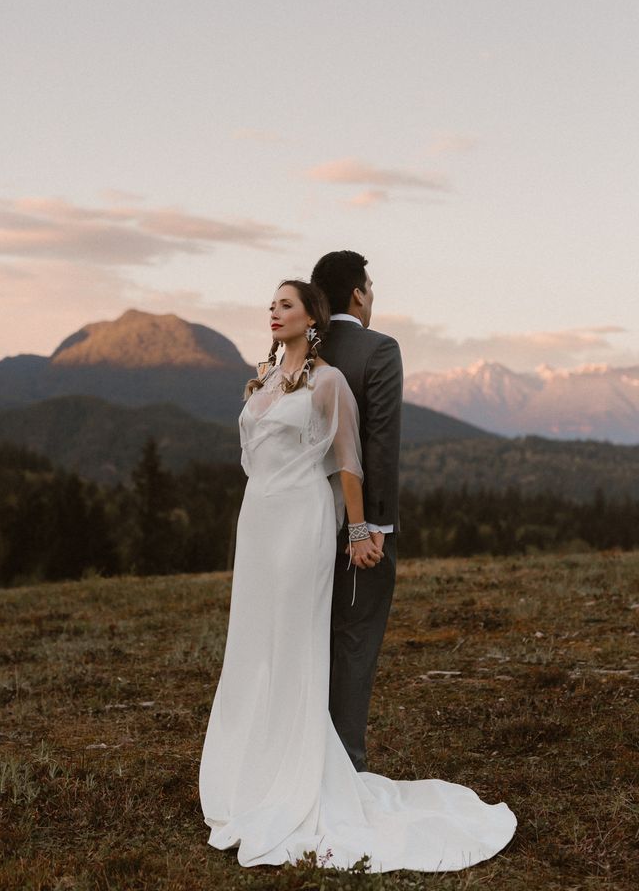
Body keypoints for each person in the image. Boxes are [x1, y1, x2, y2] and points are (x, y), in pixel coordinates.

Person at [198, 278, 516, 872]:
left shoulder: (329, 382)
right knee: (253, 642)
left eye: (285, 304)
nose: (273, 312)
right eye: (270, 305)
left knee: (293, 643)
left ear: (313, 315)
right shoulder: (263, 379)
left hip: (301, 521)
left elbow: (349, 461)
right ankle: (252, 770)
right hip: (259, 521)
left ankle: (297, 780)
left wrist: (362, 529)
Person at [310, 250, 402, 773]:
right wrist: (373, 528)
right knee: (355, 639)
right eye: (370, 288)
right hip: (357, 526)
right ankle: (344, 768)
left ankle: (302, 758)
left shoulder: (296, 353)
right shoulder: (379, 349)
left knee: (309, 637)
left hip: (300, 520)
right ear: (357, 295)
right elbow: (379, 445)